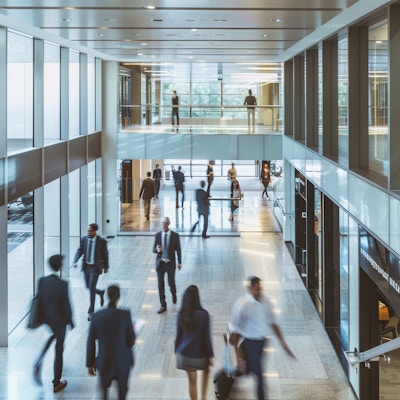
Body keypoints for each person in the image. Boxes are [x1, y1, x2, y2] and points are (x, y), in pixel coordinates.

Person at [230, 276, 295, 400]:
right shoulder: (242, 305)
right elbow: (234, 331)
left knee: (248, 369)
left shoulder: (266, 301)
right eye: (256, 289)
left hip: (262, 342)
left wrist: (283, 342)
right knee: (259, 374)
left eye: (260, 288)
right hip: (248, 343)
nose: (259, 292)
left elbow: (273, 322)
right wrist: (238, 355)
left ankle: (228, 376)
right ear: (249, 288)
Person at [86, 285, 135, 400]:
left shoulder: (97, 317)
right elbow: (131, 341)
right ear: (118, 297)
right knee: (122, 394)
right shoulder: (125, 315)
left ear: (107, 296)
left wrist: (90, 363)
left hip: (104, 361)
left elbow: (90, 341)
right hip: (123, 361)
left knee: (103, 394)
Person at [33, 255, 74, 393]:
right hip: (59, 320)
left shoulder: (42, 281)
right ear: (60, 266)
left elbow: (39, 298)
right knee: (59, 350)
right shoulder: (63, 284)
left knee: (54, 336)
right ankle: (56, 383)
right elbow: (66, 305)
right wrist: (70, 321)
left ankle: (39, 360)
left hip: (46, 318)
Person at [175, 285, 214, 400]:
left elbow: (178, 335)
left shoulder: (182, 313)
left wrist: (176, 349)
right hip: (201, 355)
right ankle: (203, 397)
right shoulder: (204, 314)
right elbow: (206, 337)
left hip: (185, 354)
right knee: (206, 372)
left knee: (192, 382)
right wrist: (210, 355)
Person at [72, 223, 109, 321]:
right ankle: (100, 292)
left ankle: (91, 312)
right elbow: (79, 250)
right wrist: (75, 261)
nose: (88, 232)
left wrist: (106, 267)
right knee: (88, 287)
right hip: (86, 267)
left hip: (95, 268)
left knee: (91, 289)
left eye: (90, 231)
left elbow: (105, 255)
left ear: (95, 231)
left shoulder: (101, 241)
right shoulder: (84, 239)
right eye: (87, 230)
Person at [153, 217, 182, 314]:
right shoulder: (158, 235)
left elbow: (178, 249)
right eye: (163, 223)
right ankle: (163, 305)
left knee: (171, 282)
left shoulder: (175, 235)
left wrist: (179, 262)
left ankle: (174, 293)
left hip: (170, 263)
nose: (164, 224)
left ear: (168, 224)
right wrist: (157, 250)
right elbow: (153, 250)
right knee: (160, 285)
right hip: (160, 263)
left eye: (166, 223)